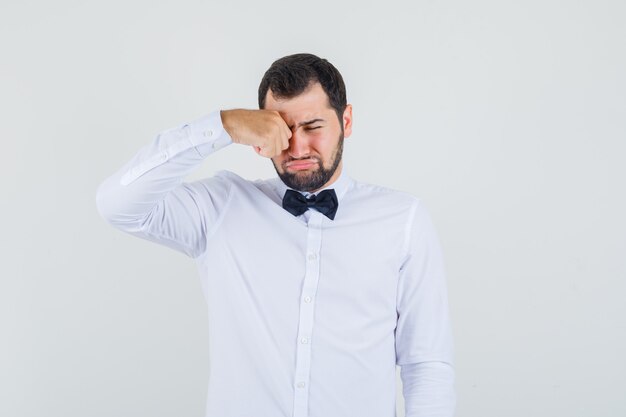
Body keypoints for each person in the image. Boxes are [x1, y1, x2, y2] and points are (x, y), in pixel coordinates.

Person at [95, 53, 456, 417]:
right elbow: (118, 203)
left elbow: (426, 365)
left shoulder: (403, 219)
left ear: (346, 120)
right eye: (283, 130)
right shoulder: (220, 208)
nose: (297, 149)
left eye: (313, 126)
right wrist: (223, 126)